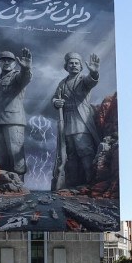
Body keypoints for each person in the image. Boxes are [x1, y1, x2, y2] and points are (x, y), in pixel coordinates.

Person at [51, 52, 101, 190]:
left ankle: (90, 182)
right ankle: (73, 183)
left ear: (80, 66)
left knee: (85, 151)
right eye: (71, 63)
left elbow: (91, 81)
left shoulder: (83, 79)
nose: (73, 65)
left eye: (76, 63)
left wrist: (94, 73)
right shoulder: (62, 83)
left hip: (81, 120)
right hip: (67, 121)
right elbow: (55, 97)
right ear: (66, 66)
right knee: (71, 154)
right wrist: (56, 102)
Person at [0, 48, 32, 177]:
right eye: (3, 60)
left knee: (16, 153)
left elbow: (25, 78)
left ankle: (19, 183)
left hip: (13, 120)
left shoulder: (17, 76)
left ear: (15, 63)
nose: (6, 63)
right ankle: (3, 181)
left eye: (10, 60)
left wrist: (26, 69)